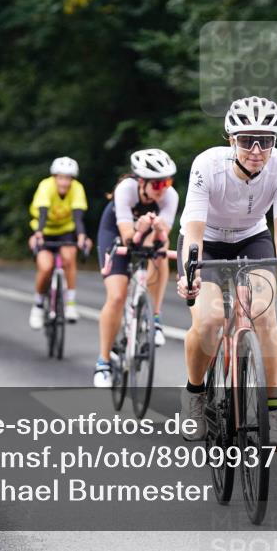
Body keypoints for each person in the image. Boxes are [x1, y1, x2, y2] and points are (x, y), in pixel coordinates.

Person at [176, 96, 277, 448]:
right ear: (231, 140)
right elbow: (193, 227)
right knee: (208, 321)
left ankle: (274, 412)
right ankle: (195, 395)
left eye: (265, 140)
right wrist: (190, 275)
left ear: (274, 143)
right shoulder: (207, 164)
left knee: (264, 316)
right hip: (205, 241)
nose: (256, 149)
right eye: (246, 139)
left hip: (253, 238)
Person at [93, 149, 179, 388]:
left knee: (161, 253)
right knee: (117, 295)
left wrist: (158, 231)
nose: (163, 187)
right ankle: (103, 362)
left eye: (168, 181)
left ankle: (155, 317)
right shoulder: (126, 190)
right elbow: (129, 238)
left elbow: (160, 242)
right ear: (141, 181)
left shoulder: (170, 196)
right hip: (117, 234)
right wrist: (140, 228)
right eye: (158, 183)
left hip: (147, 233)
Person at [27, 157, 90, 329]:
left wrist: (82, 236)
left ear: (72, 179)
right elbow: (43, 212)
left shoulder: (77, 189)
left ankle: (70, 303)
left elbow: (78, 216)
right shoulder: (46, 186)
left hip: (65, 230)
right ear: (54, 177)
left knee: (69, 258)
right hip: (44, 230)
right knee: (46, 267)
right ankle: (38, 306)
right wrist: (38, 233)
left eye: (68, 178)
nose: (64, 182)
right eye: (61, 177)